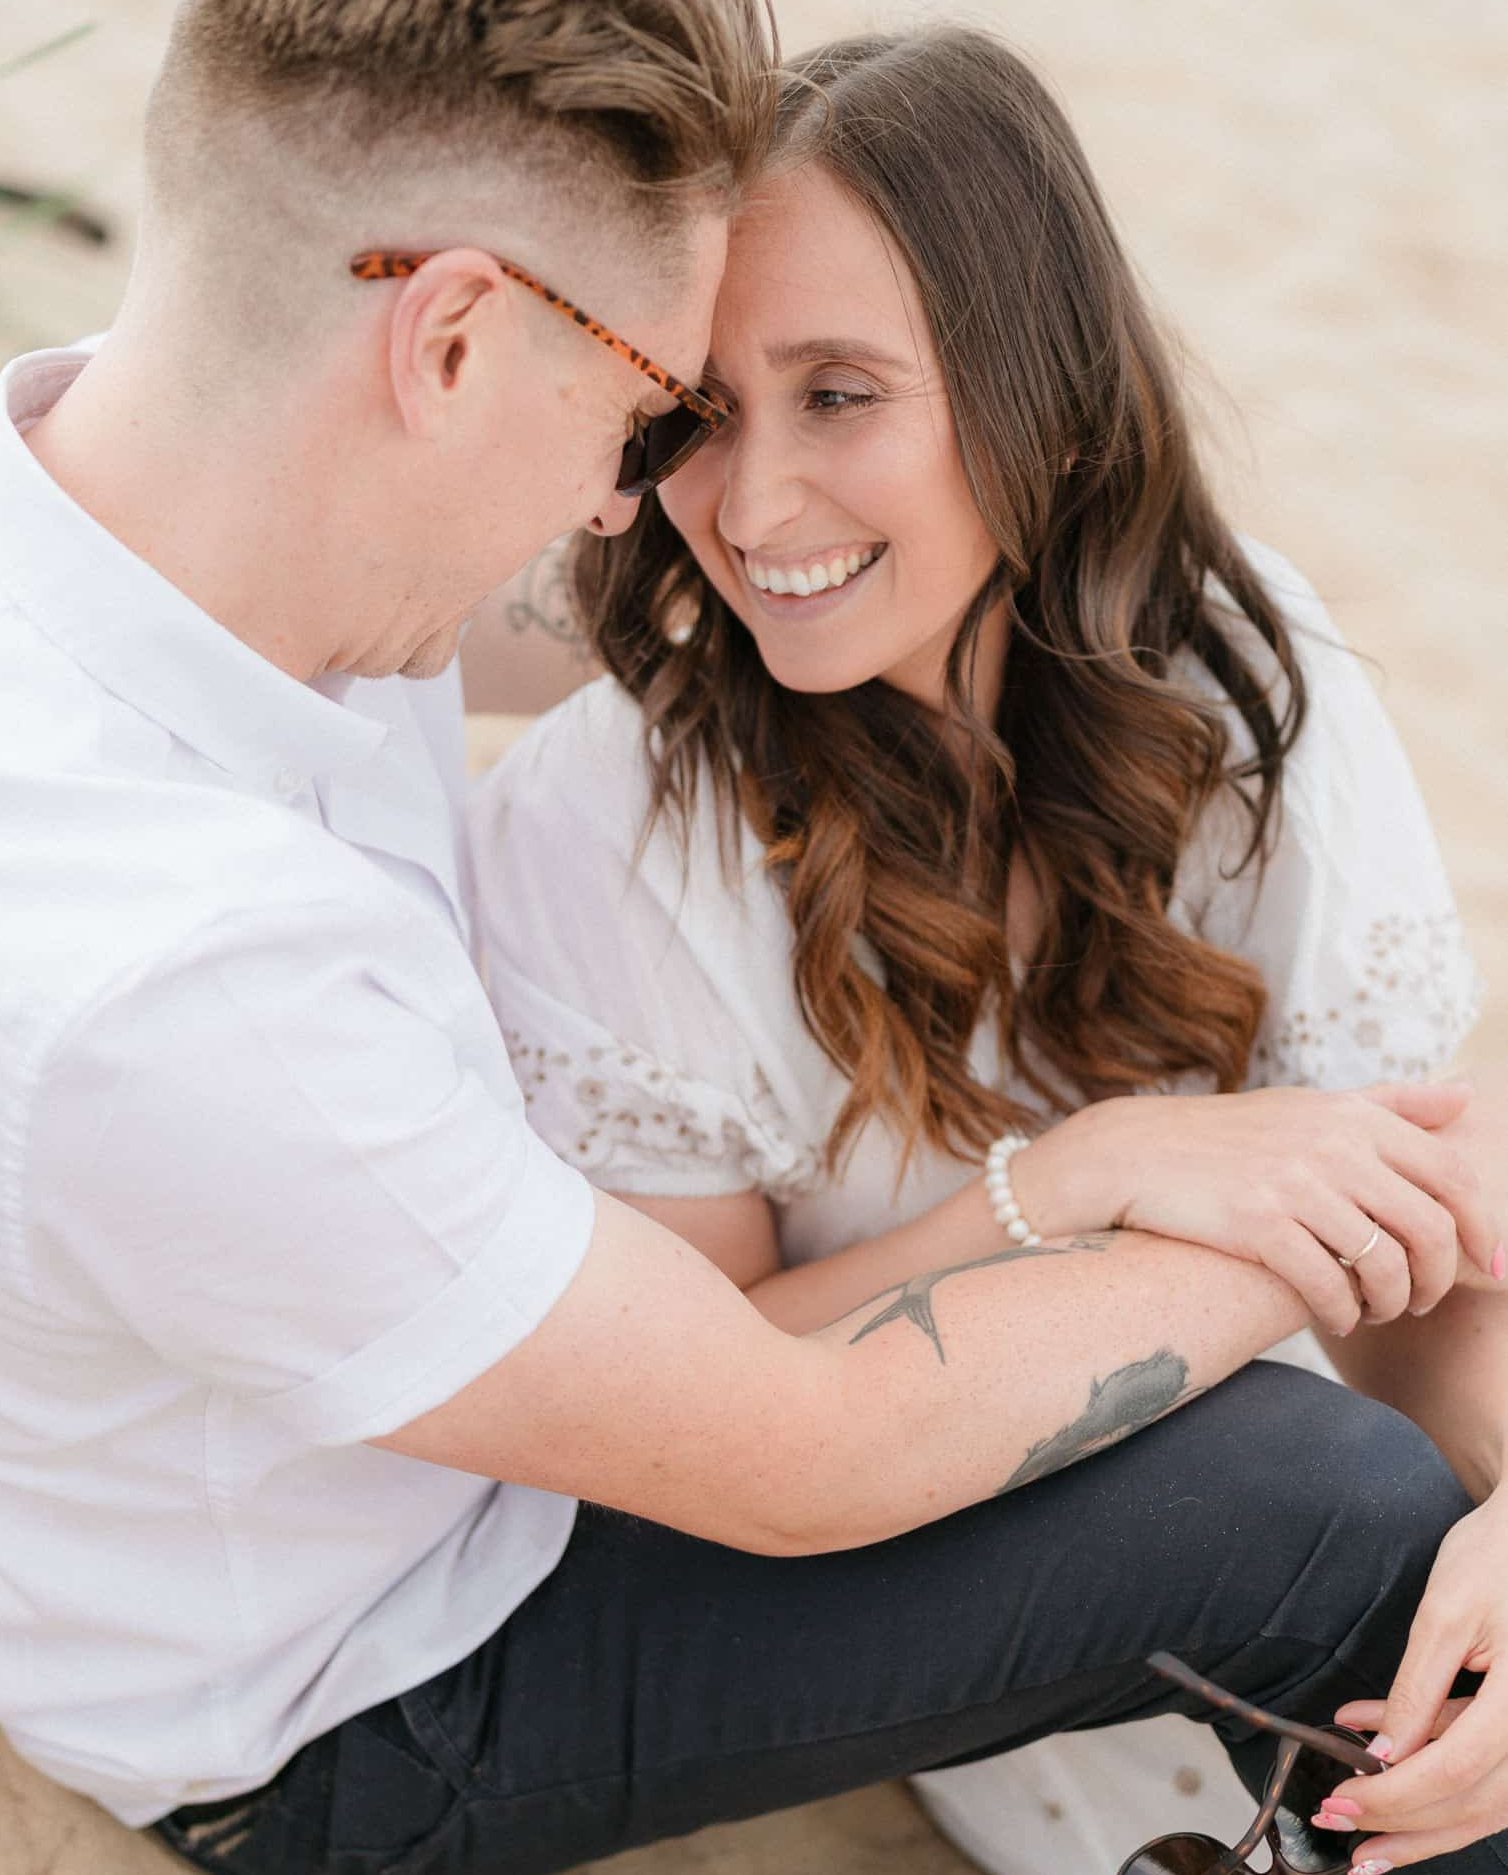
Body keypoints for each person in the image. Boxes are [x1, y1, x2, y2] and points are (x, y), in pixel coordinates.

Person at [0, 7, 1504, 1875]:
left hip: (506, 1417)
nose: (639, 507)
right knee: (1313, 1510)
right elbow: (796, 1440)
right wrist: (1200, 1195)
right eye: (655, 413)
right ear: (444, 342)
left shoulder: (145, 487)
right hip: (348, 1684)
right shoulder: (159, 970)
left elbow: (749, 552)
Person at [464, 27, 1508, 1875]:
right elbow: (694, 1400)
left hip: (1281, 1497)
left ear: (1038, 390)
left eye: (841, 393)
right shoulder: (607, 824)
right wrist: (1070, 1179)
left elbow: (1401, 1228)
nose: (755, 504)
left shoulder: (1244, 670)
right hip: (929, 1578)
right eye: (702, 407)